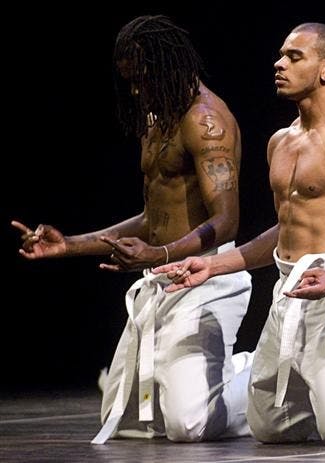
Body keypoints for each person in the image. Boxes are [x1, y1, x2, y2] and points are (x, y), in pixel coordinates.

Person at [11, 16, 253, 443]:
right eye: (131, 82)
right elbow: (151, 219)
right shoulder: (158, 118)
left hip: (206, 272)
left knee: (187, 425)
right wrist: (69, 245)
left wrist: (160, 255)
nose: (137, 91)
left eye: (142, 79)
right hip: (162, 277)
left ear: (169, 66)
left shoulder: (206, 121)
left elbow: (226, 220)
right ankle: (201, 379)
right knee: (122, 419)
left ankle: (253, 375)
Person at [154, 23, 325, 444]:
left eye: (294, 57)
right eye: (281, 55)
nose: (279, 64)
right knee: (270, 428)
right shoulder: (280, 142)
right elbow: (285, 230)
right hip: (290, 290)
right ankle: (286, 376)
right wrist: (214, 265)